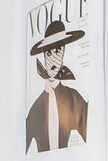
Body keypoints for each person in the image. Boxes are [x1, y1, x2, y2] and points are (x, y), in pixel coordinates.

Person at [25, 19, 89, 152]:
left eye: (58, 51)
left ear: (64, 52)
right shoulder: (35, 109)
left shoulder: (75, 100)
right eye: (48, 53)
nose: (53, 59)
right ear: (43, 56)